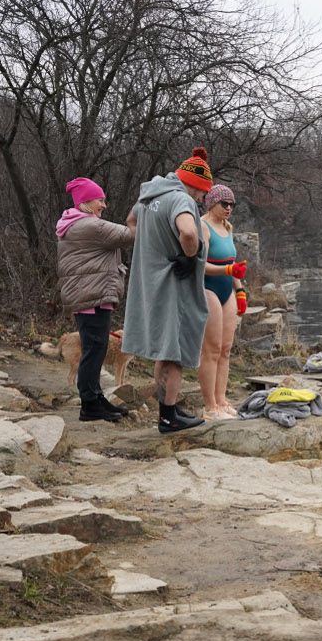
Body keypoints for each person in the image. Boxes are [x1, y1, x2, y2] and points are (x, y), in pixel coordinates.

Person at [122, 147, 214, 434]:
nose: (202, 199)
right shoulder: (180, 198)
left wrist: (151, 250)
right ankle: (168, 418)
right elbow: (188, 231)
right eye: (203, 192)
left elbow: (131, 221)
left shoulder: (149, 197)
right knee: (174, 351)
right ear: (197, 184)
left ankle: (168, 411)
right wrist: (189, 256)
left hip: (150, 282)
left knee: (164, 348)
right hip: (174, 284)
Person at [56, 177, 136, 424]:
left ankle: (96, 398)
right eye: (100, 200)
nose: (104, 205)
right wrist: (139, 211)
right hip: (91, 296)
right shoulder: (91, 226)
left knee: (96, 349)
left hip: (91, 295)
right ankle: (90, 405)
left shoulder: (77, 224)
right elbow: (130, 235)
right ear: (86, 202)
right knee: (94, 350)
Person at [197, 184, 247, 420]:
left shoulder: (227, 227)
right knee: (212, 349)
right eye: (224, 204)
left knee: (226, 348)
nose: (229, 208)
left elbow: (233, 265)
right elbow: (200, 264)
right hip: (208, 288)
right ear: (211, 203)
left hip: (228, 289)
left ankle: (221, 400)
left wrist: (240, 291)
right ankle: (209, 407)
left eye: (232, 205)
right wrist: (228, 270)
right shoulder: (202, 226)